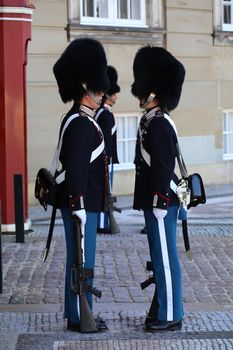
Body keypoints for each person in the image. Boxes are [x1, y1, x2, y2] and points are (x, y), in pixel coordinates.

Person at [53, 38, 109, 332]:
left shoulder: (78, 119)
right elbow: (76, 171)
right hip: (80, 205)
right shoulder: (80, 123)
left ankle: (78, 311)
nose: (102, 93)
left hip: (82, 203)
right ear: (85, 87)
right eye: (98, 87)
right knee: (81, 262)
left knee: (80, 260)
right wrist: (78, 208)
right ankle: (78, 316)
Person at [131, 46, 185, 332]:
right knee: (160, 256)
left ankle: (171, 314)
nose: (140, 95)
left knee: (165, 259)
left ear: (155, 92)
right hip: (155, 199)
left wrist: (160, 202)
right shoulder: (151, 120)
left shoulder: (160, 124)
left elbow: (163, 167)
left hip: (161, 200)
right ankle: (162, 307)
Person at [94, 66, 120, 234]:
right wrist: (107, 159)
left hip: (105, 159)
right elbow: (105, 140)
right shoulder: (105, 114)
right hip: (105, 159)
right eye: (114, 93)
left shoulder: (102, 112)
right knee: (105, 192)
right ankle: (103, 223)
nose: (116, 96)